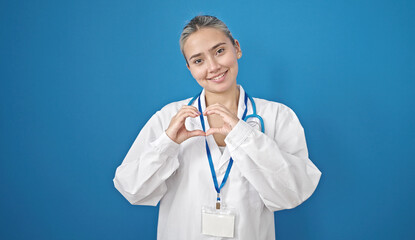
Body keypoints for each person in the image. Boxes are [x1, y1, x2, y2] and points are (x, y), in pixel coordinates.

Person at [113, 15, 321, 240]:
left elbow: (294, 193)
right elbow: (132, 189)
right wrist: (167, 143)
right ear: (189, 68)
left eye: (219, 51)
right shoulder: (168, 118)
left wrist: (245, 137)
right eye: (198, 60)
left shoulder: (277, 116)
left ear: (237, 48)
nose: (213, 67)